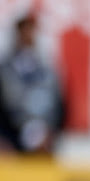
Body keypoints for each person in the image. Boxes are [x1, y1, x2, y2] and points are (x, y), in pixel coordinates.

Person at [0, 13, 65, 152]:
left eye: (31, 31)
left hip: (46, 136)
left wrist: (52, 132)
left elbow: (60, 104)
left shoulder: (47, 68)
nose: (28, 36)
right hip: (14, 136)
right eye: (24, 31)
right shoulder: (5, 70)